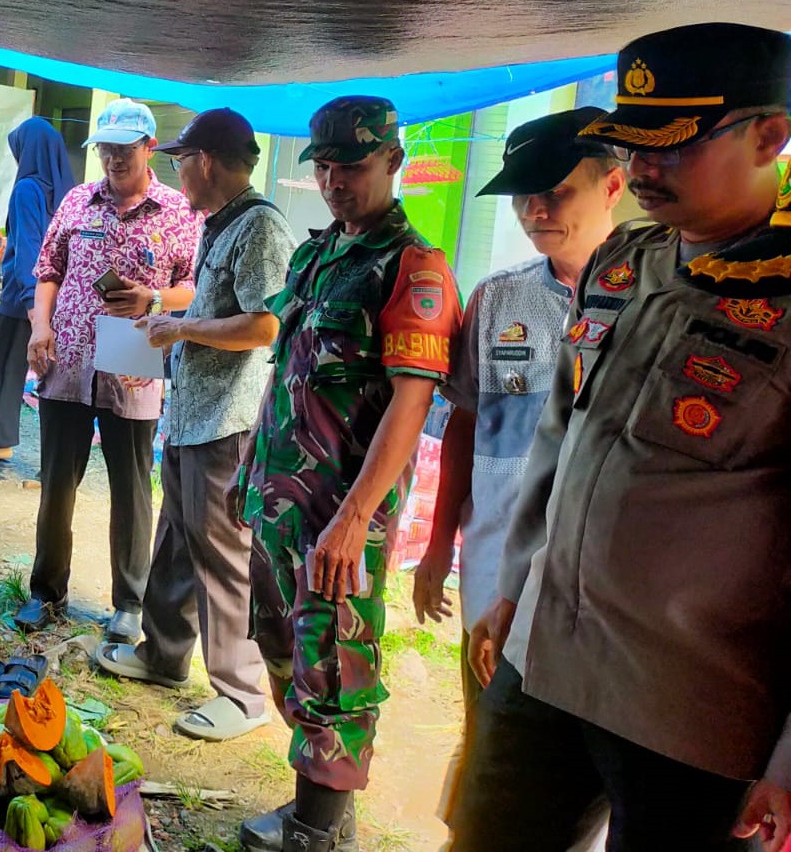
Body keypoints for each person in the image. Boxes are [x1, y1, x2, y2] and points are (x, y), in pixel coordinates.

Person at [451, 24, 791, 851]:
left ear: (770, 135)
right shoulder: (625, 264)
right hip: (545, 658)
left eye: (671, 148)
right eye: (631, 146)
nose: (641, 169)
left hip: (690, 710)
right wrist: (510, 588)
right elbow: (562, 441)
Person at [233, 96, 462, 852]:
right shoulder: (317, 254)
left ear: (393, 161)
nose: (334, 180)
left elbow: (411, 400)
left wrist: (357, 515)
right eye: (324, 166)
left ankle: (317, 830)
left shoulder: (414, 266)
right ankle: (325, 809)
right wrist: (248, 466)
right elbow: (287, 370)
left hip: (340, 516)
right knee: (281, 649)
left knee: (334, 664)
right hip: (279, 501)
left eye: (352, 166)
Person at [409, 108, 623, 846]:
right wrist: (440, 546)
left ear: (614, 185)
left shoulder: (651, 299)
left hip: (601, 587)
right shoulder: (499, 297)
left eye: (555, 192)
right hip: (495, 562)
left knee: (573, 764)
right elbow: (465, 422)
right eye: (522, 194)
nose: (535, 209)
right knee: (491, 725)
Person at [91, 108, 295, 742]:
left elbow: (266, 325)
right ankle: (163, 654)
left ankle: (240, 692)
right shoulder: (220, 223)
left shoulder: (260, 226)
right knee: (178, 544)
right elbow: (211, 315)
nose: (177, 172)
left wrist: (179, 328)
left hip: (227, 420)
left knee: (222, 554)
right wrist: (163, 336)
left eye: (180, 160)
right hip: (193, 414)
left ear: (205, 161)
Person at [14, 98, 201, 643]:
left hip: (135, 360)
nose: (114, 160)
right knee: (57, 483)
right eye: (106, 150)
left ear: (148, 148)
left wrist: (156, 297)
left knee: (132, 485)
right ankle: (46, 593)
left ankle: (128, 604)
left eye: (124, 150)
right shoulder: (77, 200)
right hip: (67, 354)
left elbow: (194, 285)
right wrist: (39, 326)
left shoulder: (178, 210)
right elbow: (48, 270)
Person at [0, 118, 76, 481]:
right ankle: (54, 464)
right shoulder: (67, 191)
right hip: (60, 298)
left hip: (21, 300)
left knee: (2, 371)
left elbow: (29, 248)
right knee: (55, 379)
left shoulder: (28, 188)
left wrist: (33, 309)